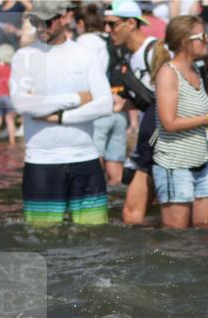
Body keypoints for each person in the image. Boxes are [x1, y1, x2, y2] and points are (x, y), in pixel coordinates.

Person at [10, 0, 112, 226]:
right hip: (41, 159)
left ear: (64, 17)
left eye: (47, 21)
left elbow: (105, 104)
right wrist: (76, 98)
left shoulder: (85, 55)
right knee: (42, 236)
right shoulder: (23, 57)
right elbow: (22, 105)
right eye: (36, 21)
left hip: (85, 156)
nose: (41, 27)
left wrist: (61, 117)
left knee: (94, 235)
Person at [151, 15, 208, 228]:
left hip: (201, 163)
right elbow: (169, 123)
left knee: (206, 233)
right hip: (174, 165)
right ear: (184, 42)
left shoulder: (196, 70)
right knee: (176, 240)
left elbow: (195, 114)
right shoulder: (168, 73)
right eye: (203, 36)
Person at [105, 0, 158, 225]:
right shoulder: (128, 58)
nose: (108, 31)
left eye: (113, 25)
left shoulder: (155, 50)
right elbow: (146, 100)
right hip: (148, 140)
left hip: (163, 142)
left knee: (132, 215)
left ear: (130, 23)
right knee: (138, 214)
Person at [77, 3, 129, 186]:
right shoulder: (110, 41)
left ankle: (97, 198)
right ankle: (116, 200)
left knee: (94, 160)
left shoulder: (81, 43)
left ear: (81, 24)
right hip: (119, 109)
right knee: (115, 169)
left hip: (97, 110)